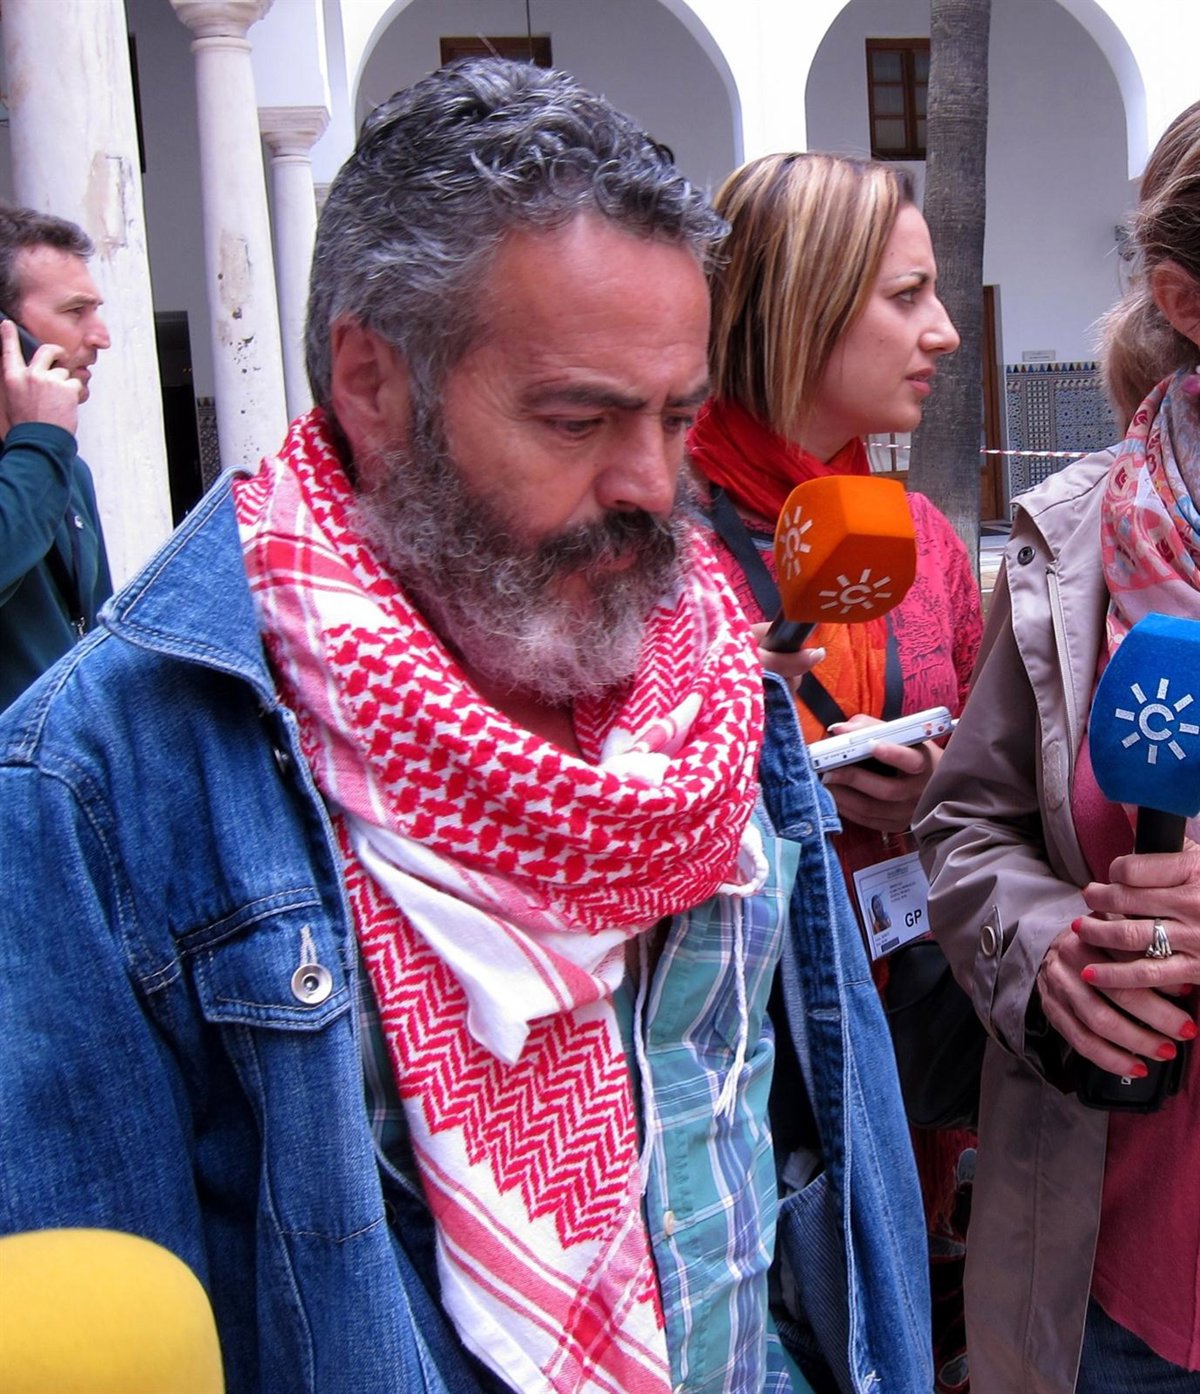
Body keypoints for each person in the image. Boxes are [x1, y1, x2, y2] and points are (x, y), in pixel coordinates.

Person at [0, 61, 931, 1394]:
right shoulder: (97, 782)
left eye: (677, 417)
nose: (651, 484)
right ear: (372, 381)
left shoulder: (717, 677)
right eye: (579, 418)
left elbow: (816, 1140)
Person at [915, 99, 1200, 1394]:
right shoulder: (1067, 545)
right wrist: (1043, 955)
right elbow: (965, 823)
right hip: (1115, 1292)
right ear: (1185, 300)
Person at [686, 151, 982, 1393]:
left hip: (917, 1056)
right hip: (741, 1093)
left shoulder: (920, 540)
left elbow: (997, 784)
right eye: (907, 297)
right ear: (801, 307)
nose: (946, 332)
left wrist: (936, 794)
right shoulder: (657, 545)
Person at [0, 204, 112, 710]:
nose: (100, 336)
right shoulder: (48, 451)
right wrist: (41, 438)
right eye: (74, 312)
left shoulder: (68, 470)